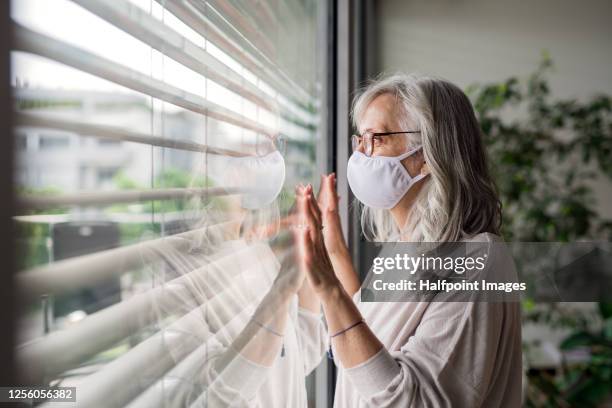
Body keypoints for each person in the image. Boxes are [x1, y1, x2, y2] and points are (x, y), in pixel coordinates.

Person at [294, 74, 523, 407]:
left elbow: (414, 400)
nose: (361, 154)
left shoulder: (478, 261)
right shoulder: (407, 246)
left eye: (377, 138)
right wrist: (334, 252)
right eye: (360, 139)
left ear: (429, 153)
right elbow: (365, 338)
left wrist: (329, 291)